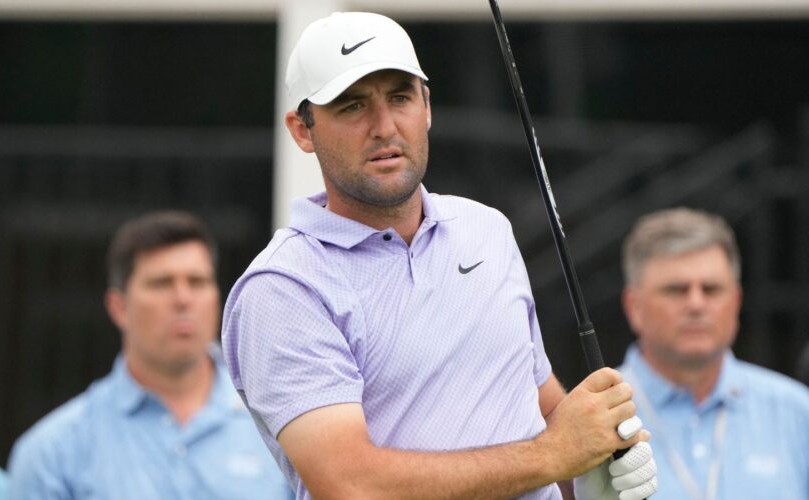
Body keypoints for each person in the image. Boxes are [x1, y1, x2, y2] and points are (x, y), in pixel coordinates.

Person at [222, 11, 657, 500]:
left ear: (426, 106)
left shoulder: (486, 230)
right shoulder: (282, 288)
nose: (384, 126)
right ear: (303, 130)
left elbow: (542, 411)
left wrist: (594, 462)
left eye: (400, 97)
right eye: (351, 106)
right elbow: (352, 484)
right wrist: (555, 454)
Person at [7, 211, 291, 500]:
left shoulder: (282, 428)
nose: (183, 299)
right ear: (118, 307)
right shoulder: (53, 453)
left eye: (197, 282)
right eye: (162, 283)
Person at [618, 207, 809, 499]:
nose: (696, 304)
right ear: (634, 307)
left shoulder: (797, 413)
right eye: (676, 290)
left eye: (711, 289)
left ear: (736, 301)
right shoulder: (595, 416)